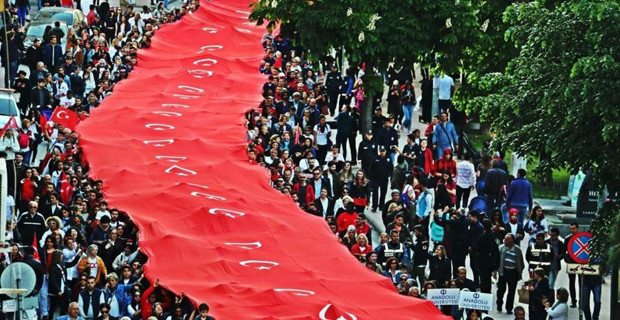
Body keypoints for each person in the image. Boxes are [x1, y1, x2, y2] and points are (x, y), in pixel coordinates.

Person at [496, 233, 524, 314]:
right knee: (501, 290)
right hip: (503, 272)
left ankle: (509, 308)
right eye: (505, 239)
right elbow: (497, 261)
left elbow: (521, 262)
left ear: (512, 240)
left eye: (507, 239)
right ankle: (499, 304)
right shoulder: (501, 248)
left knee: (511, 291)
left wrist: (519, 271)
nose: (505, 240)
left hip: (513, 272)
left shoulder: (517, 249)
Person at [476, 219, 500, 294]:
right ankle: (488, 293)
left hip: (483, 262)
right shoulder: (495, 235)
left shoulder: (481, 237)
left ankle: (484, 295)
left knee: (483, 280)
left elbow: (478, 249)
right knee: (488, 280)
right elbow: (497, 249)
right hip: (492, 261)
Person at [369, 146, 393, 212]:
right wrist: (370, 178)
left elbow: (391, 169)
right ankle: (374, 206)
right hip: (376, 179)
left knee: (383, 192)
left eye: (384, 151)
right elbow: (371, 168)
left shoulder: (388, 159)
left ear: (385, 151)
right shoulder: (375, 158)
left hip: (384, 179)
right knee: (375, 193)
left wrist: (391, 178)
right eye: (381, 151)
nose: (382, 152)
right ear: (379, 151)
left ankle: (381, 206)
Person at [563, 222, 580, 307]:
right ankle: (573, 301)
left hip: (581, 263)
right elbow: (564, 251)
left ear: (577, 228)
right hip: (571, 263)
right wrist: (567, 260)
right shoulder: (568, 238)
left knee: (581, 283)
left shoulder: (581, 238)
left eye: (574, 228)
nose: (572, 230)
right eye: (571, 229)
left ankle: (582, 301)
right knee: (572, 283)